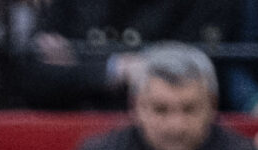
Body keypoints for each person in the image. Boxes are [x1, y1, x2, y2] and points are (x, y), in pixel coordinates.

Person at [17, 0, 232, 110]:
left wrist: (78, 65)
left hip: (172, 137)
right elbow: (33, 79)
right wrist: (112, 69)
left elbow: (193, 76)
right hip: (77, 125)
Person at [73, 42, 257, 150]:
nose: (176, 126)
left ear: (212, 106)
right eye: (160, 110)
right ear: (136, 107)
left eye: (190, 109)